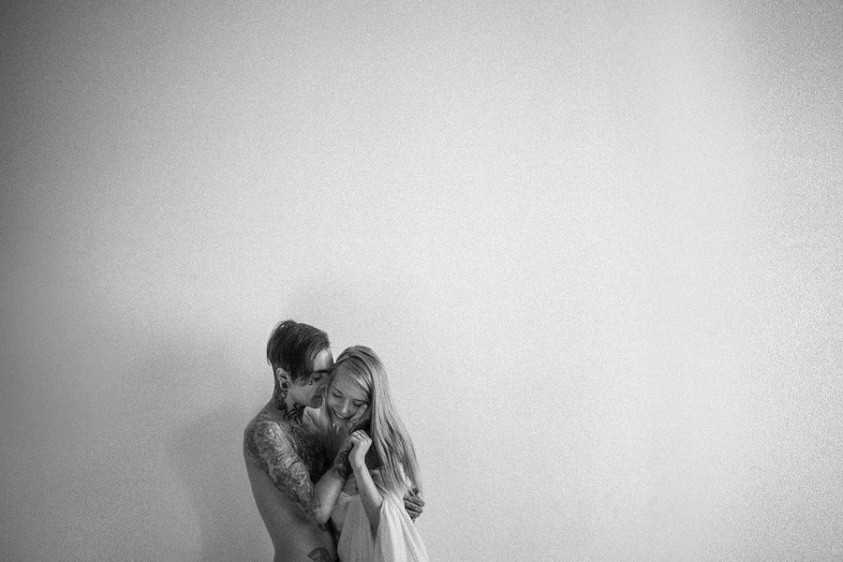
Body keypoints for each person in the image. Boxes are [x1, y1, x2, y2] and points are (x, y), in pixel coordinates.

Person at [243, 321, 424, 562]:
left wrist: (399, 504)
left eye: (328, 375)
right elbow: (318, 509)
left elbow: (349, 495)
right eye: (317, 377)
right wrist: (348, 446)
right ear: (284, 377)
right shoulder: (265, 432)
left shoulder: (315, 422)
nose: (326, 385)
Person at [319, 346, 430, 562]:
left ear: (373, 405)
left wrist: (359, 465)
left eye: (357, 403)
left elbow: (387, 528)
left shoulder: (386, 446)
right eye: (337, 395)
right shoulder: (330, 435)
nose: (343, 409)